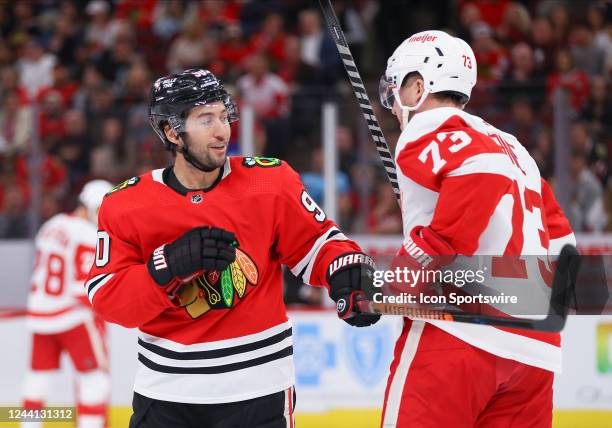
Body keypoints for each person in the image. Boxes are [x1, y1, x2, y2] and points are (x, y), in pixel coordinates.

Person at [85, 68, 379, 428]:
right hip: (166, 396)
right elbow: (109, 301)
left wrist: (345, 268)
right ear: (171, 131)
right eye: (205, 119)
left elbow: (318, 245)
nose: (222, 130)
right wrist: (166, 266)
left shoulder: (270, 182)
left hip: (259, 393)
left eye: (224, 116)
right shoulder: (125, 205)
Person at [377, 30, 575, 427]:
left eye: (398, 88)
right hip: (534, 350)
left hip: (461, 335)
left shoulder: (426, 125)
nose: (395, 105)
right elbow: (563, 240)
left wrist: (398, 279)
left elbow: (478, 175)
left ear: (419, 86)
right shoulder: (512, 146)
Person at [23, 179, 113, 428]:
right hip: (72, 318)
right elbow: (83, 288)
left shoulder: (51, 225)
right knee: (94, 381)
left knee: (36, 383)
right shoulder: (87, 234)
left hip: (39, 315)